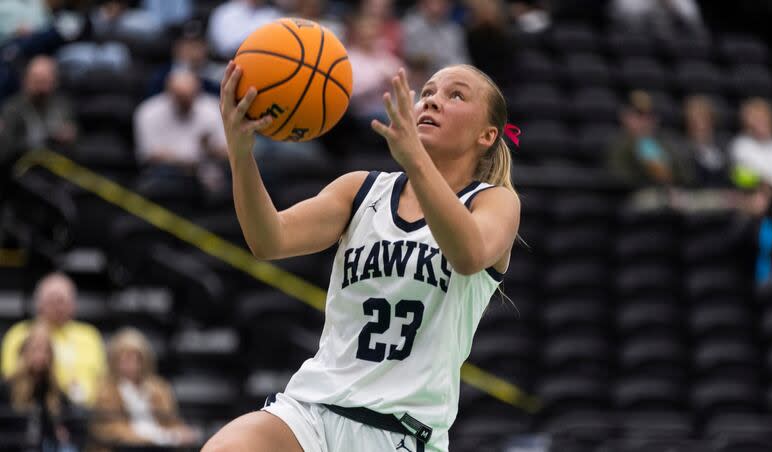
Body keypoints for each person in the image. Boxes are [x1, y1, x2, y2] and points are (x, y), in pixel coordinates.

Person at [203, 54, 520, 451]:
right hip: (313, 408)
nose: (433, 101)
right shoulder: (361, 190)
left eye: (456, 96)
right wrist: (240, 152)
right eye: (427, 93)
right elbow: (269, 239)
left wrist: (416, 163)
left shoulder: (494, 202)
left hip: (400, 430)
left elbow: (469, 254)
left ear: (487, 136)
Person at [1, 272, 106, 407]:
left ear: (73, 304)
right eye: (52, 301)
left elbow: (103, 378)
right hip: (38, 406)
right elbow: (11, 377)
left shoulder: (89, 335)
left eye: (62, 301)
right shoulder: (21, 333)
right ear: (39, 303)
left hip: (87, 412)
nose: (58, 307)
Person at [90, 328, 199, 451]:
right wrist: (156, 437)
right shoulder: (105, 390)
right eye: (124, 359)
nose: (129, 364)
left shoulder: (160, 388)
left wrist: (181, 432)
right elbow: (107, 430)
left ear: (143, 360)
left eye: (134, 358)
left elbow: (171, 420)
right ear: (115, 360)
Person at [134, 69, 228, 200]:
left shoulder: (212, 108)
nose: (185, 102)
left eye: (189, 96)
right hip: (166, 175)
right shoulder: (149, 111)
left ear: (198, 92)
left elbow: (228, 151)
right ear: (169, 92)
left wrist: (209, 148)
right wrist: (190, 162)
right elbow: (150, 154)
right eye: (180, 97)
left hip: (208, 175)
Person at [0, 323, 82, 452]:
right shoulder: (6, 388)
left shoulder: (53, 389)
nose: (40, 356)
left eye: (45, 351)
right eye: (35, 350)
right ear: (23, 353)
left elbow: (72, 421)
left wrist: (62, 431)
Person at [0, 55, 77, 166]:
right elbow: (6, 150)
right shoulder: (12, 109)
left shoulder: (62, 105)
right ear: (26, 81)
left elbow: (75, 138)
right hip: (23, 170)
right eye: (37, 81)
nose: (41, 88)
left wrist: (69, 135)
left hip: (58, 168)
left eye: (45, 82)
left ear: (55, 82)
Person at [606, 90, 694, 187]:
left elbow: (686, 174)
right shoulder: (618, 144)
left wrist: (669, 174)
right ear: (625, 117)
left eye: (650, 115)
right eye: (639, 115)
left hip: (676, 192)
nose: (646, 121)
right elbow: (619, 177)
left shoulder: (667, 142)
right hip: (638, 193)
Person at [730, 97, 772, 195]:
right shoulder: (741, 146)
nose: (760, 125)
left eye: (763, 119)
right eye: (755, 120)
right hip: (758, 195)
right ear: (746, 123)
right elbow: (743, 176)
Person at [348, 14, 404, 123]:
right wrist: (377, 82)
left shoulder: (382, 53)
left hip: (387, 107)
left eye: (372, 36)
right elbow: (352, 93)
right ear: (357, 36)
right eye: (365, 37)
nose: (368, 40)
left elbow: (402, 71)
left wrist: (393, 78)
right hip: (362, 113)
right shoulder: (350, 58)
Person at [403, 0, 470, 85]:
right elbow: (407, 58)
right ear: (422, 3)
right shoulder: (410, 27)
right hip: (416, 82)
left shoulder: (454, 31)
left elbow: (463, 62)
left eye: (442, 2)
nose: (437, 6)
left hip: (447, 81)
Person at [682, 95, 731, 188]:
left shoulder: (724, 144)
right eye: (694, 120)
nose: (699, 125)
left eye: (704, 119)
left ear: (712, 120)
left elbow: (730, 172)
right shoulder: (682, 147)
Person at [207, 0, 282, 58]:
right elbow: (225, 46)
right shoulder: (225, 11)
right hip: (225, 63)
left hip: (261, 61)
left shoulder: (274, 15)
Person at [609, 0, 706, 38]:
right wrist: (654, 4)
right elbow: (617, 13)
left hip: (672, 41)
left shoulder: (681, 1)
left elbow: (693, 19)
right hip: (635, 40)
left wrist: (671, 7)